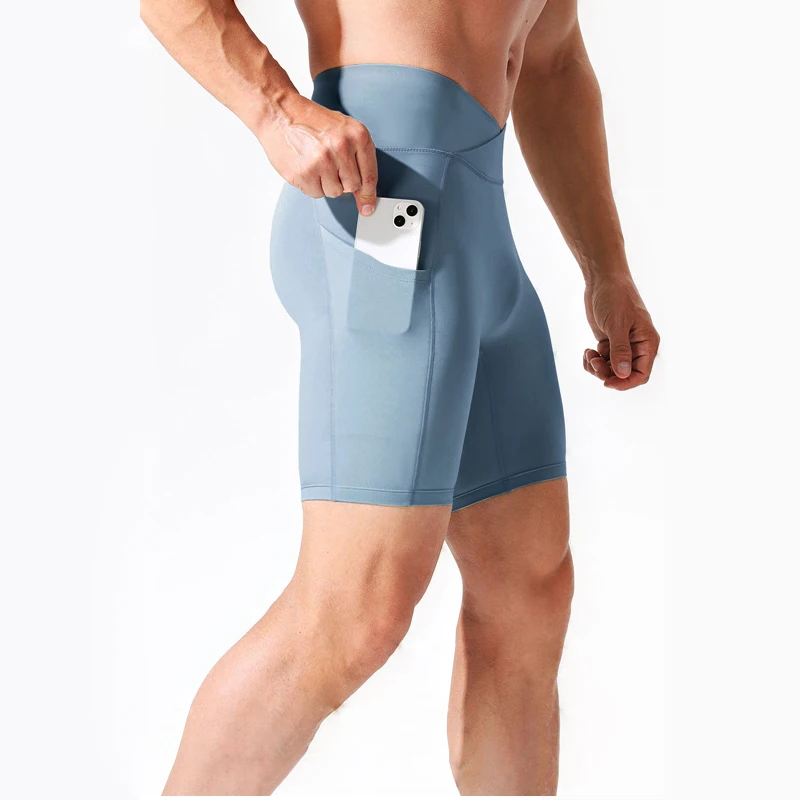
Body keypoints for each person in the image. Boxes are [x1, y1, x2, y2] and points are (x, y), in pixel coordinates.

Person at [142, 0, 660, 795]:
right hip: (383, 215)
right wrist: (277, 113)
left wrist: (607, 269)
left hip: (476, 237)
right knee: (352, 615)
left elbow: (553, 63)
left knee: (529, 590)